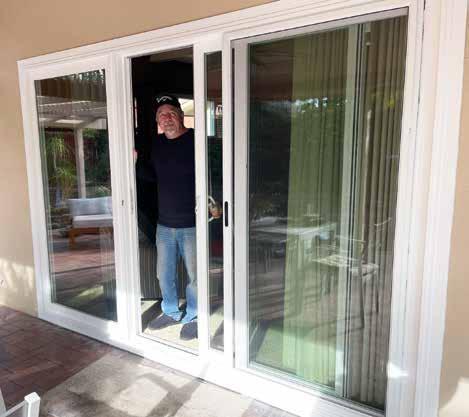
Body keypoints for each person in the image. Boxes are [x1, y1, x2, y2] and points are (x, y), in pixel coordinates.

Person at [136, 94, 220, 341]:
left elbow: (214, 173)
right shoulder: (157, 144)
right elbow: (152, 177)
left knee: (196, 276)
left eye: (171, 112)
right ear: (158, 121)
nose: (167, 118)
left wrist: (216, 204)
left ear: (181, 116)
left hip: (192, 224)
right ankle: (171, 311)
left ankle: (194, 315)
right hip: (164, 225)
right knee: (164, 274)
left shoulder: (197, 141)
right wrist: (135, 163)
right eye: (161, 114)